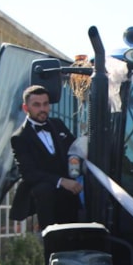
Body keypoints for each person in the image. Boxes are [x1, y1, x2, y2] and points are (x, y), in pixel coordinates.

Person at [10, 85, 83, 229]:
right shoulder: (19, 137)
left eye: (45, 104)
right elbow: (29, 173)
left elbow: (74, 148)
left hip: (70, 195)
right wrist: (61, 181)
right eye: (36, 105)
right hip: (46, 200)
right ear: (26, 108)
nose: (42, 109)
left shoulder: (58, 124)